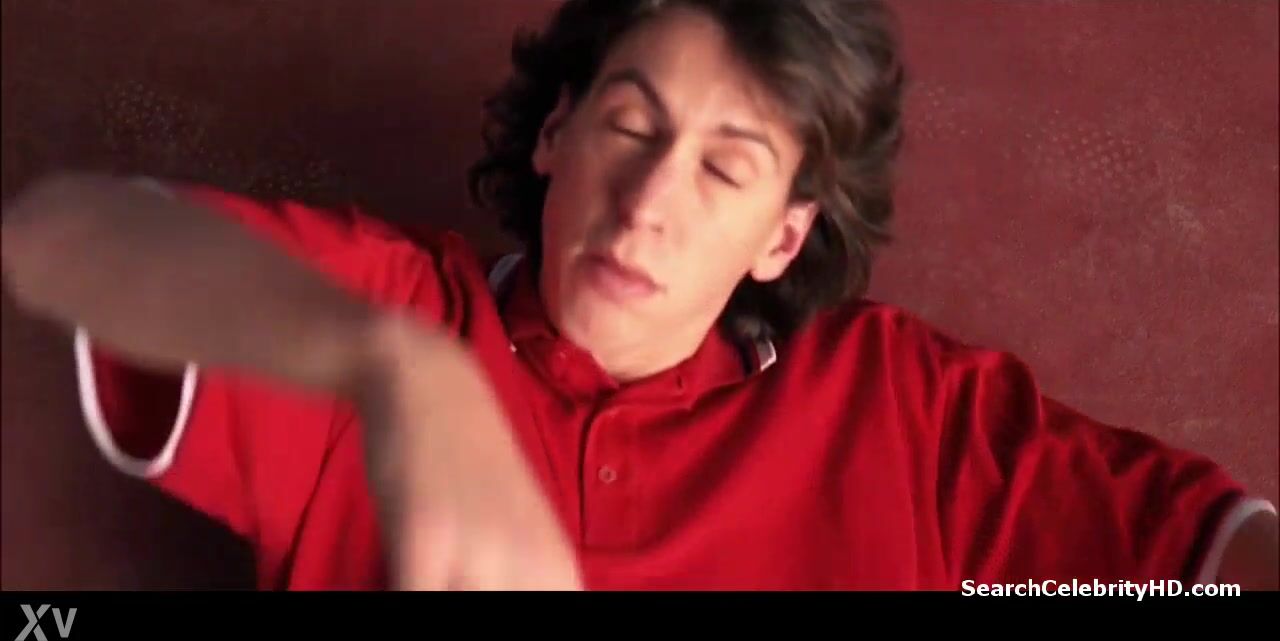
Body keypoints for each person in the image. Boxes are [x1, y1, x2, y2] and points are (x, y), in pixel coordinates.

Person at [1, 0, 1275, 592]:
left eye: (723, 167)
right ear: (554, 133)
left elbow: (1211, 562)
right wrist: (398, 370)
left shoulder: (907, 414)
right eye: (628, 124)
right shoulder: (392, 316)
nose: (649, 199)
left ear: (782, 236)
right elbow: (58, 238)